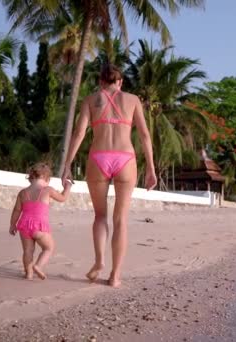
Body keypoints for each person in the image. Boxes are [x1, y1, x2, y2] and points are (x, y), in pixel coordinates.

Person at [61, 64, 157, 288]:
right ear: (120, 82)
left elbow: (79, 133)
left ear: (101, 82)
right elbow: (144, 134)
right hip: (125, 159)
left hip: (98, 158)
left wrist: (67, 165)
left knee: (100, 216)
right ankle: (115, 276)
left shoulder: (90, 100)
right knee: (120, 219)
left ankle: (99, 261)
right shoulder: (132, 100)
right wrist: (151, 168)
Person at [10, 162, 72, 280]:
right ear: (46, 178)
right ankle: (38, 266)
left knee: (28, 251)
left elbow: (17, 210)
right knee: (49, 248)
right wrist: (67, 187)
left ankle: (28, 274)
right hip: (39, 226)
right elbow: (63, 198)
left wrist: (12, 225)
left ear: (31, 177)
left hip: (24, 225)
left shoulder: (23, 193)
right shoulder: (48, 190)